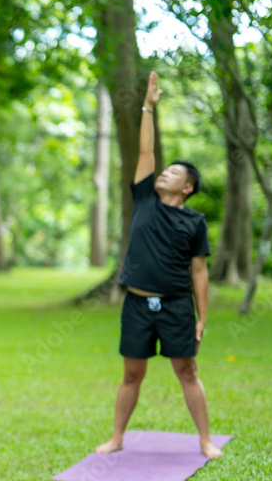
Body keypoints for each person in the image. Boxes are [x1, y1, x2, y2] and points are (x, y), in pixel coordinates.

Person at [95, 71, 223, 460]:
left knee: (187, 372)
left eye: (174, 173)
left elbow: (199, 271)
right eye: (164, 171)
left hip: (176, 305)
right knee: (132, 374)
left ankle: (205, 441)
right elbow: (146, 152)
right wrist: (148, 105)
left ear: (187, 188)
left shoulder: (194, 222)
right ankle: (117, 437)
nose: (164, 172)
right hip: (137, 303)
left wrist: (202, 316)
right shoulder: (145, 198)